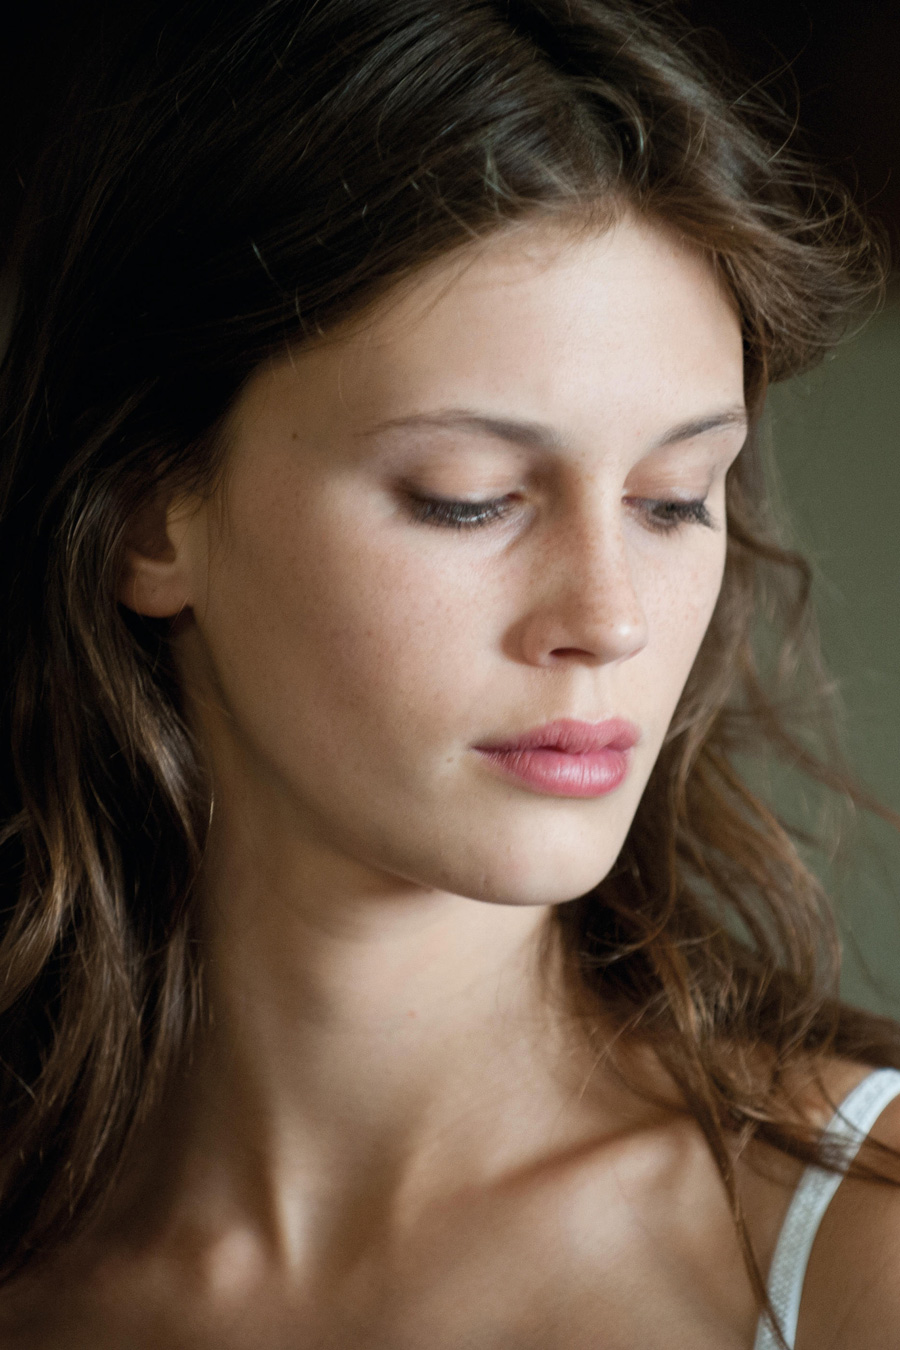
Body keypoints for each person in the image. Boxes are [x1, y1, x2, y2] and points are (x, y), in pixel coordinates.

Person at [0, 1, 898, 1345]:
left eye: (672, 499)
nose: (610, 619)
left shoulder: (858, 1254)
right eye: (467, 497)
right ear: (146, 517)